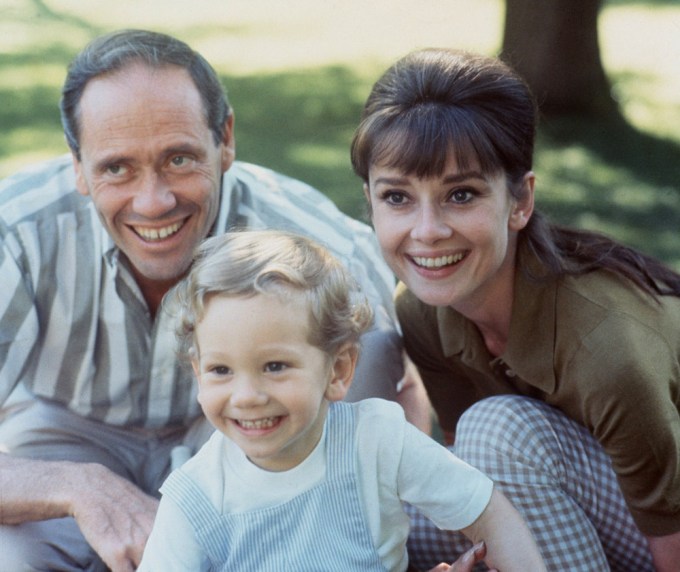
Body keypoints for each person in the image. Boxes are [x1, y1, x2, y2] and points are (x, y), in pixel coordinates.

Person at [0, 29, 426, 572]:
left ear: (224, 139)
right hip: (66, 433)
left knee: (364, 351)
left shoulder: (320, 248)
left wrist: (386, 533)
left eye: (179, 159)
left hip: (252, 440)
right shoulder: (17, 232)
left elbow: (396, 393)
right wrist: (79, 486)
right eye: (116, 167)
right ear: (78, 166)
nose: (153, 202)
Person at [351, 47, 680, 572]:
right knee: (381, 513)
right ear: (369, 200)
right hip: (583, 509)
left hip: (664, 529)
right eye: (397, 197)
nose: (427, 230)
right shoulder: (420, 310)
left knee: (501, 432)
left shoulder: (606, 344)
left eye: (461, 195)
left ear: (520, 201)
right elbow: (470, 484)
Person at [137, 229, 546, 572]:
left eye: (275, 366)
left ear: (338, 371)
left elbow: (488, 512)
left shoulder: (375, 440)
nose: (247, 397)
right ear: (197, 372)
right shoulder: (195, 499)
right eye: (221, 371)